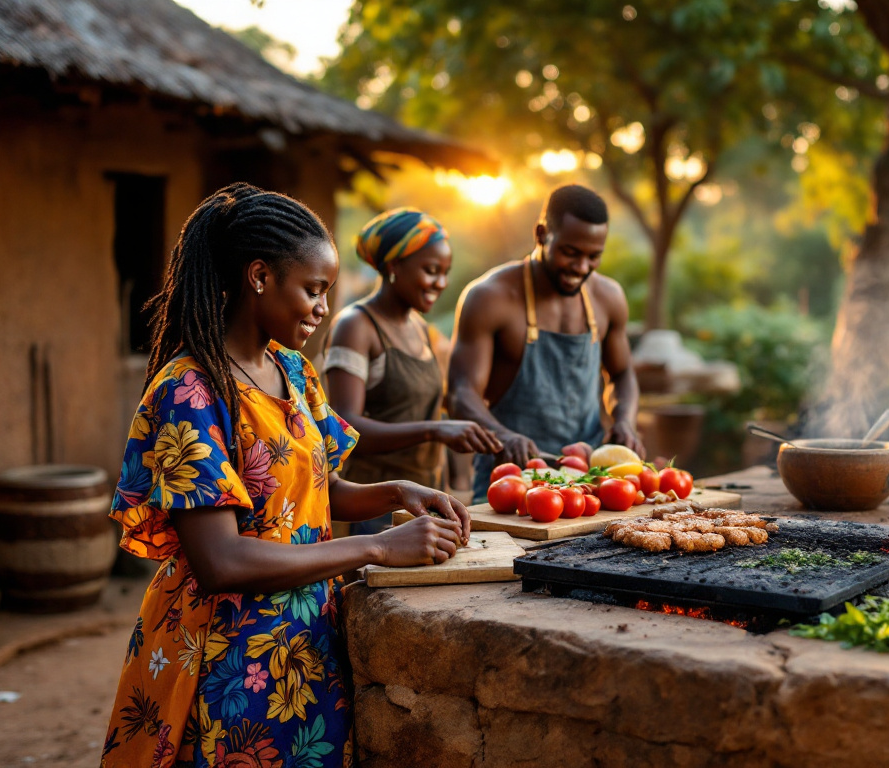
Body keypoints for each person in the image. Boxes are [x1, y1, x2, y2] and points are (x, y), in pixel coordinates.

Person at [101, 184, 470, 767]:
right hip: (225, 660)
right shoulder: (190, 390)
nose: (323, 308)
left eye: (327, 291)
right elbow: (220, 561)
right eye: (313, 289)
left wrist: (400, 491)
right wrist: (376, 546)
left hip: (304, 646)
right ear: (258, 277)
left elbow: (318, 494)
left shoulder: (292, 370)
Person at [449, 184, 645, 502]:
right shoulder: (489, 297)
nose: (581, 267)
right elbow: (460, 394)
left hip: (587, 478)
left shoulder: (608, 298)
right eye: (570, 252)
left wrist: (625, 421)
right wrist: (504, 435)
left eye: (593, 256)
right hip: (510, 477)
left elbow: (622, 374)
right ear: (541, 234)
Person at [323, 208, 502, 533]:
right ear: (393, 266)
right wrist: (435, 430)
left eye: (446, 272)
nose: (441, 283)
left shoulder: (423, 330)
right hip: (374, 511)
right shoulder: (356, 327)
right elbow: (344, 428)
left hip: (428, 507)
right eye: (431, 270)